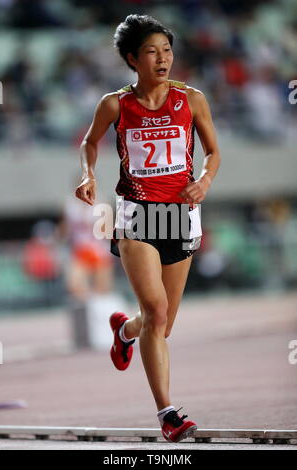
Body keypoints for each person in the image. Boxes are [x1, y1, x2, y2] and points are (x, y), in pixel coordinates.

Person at [75, 14, 221, 443]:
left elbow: (213, 152)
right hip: (136, 213)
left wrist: (205, 181)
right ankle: (168, 414)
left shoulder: (191, 99)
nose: (163, 59)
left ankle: (124, 330)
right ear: (132, 59)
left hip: (180, 214)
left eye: (168, 50)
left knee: (161, 323)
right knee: (156, 312)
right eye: (153, 52)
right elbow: (89, 141)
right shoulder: (114, 104)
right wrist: (89, 174)